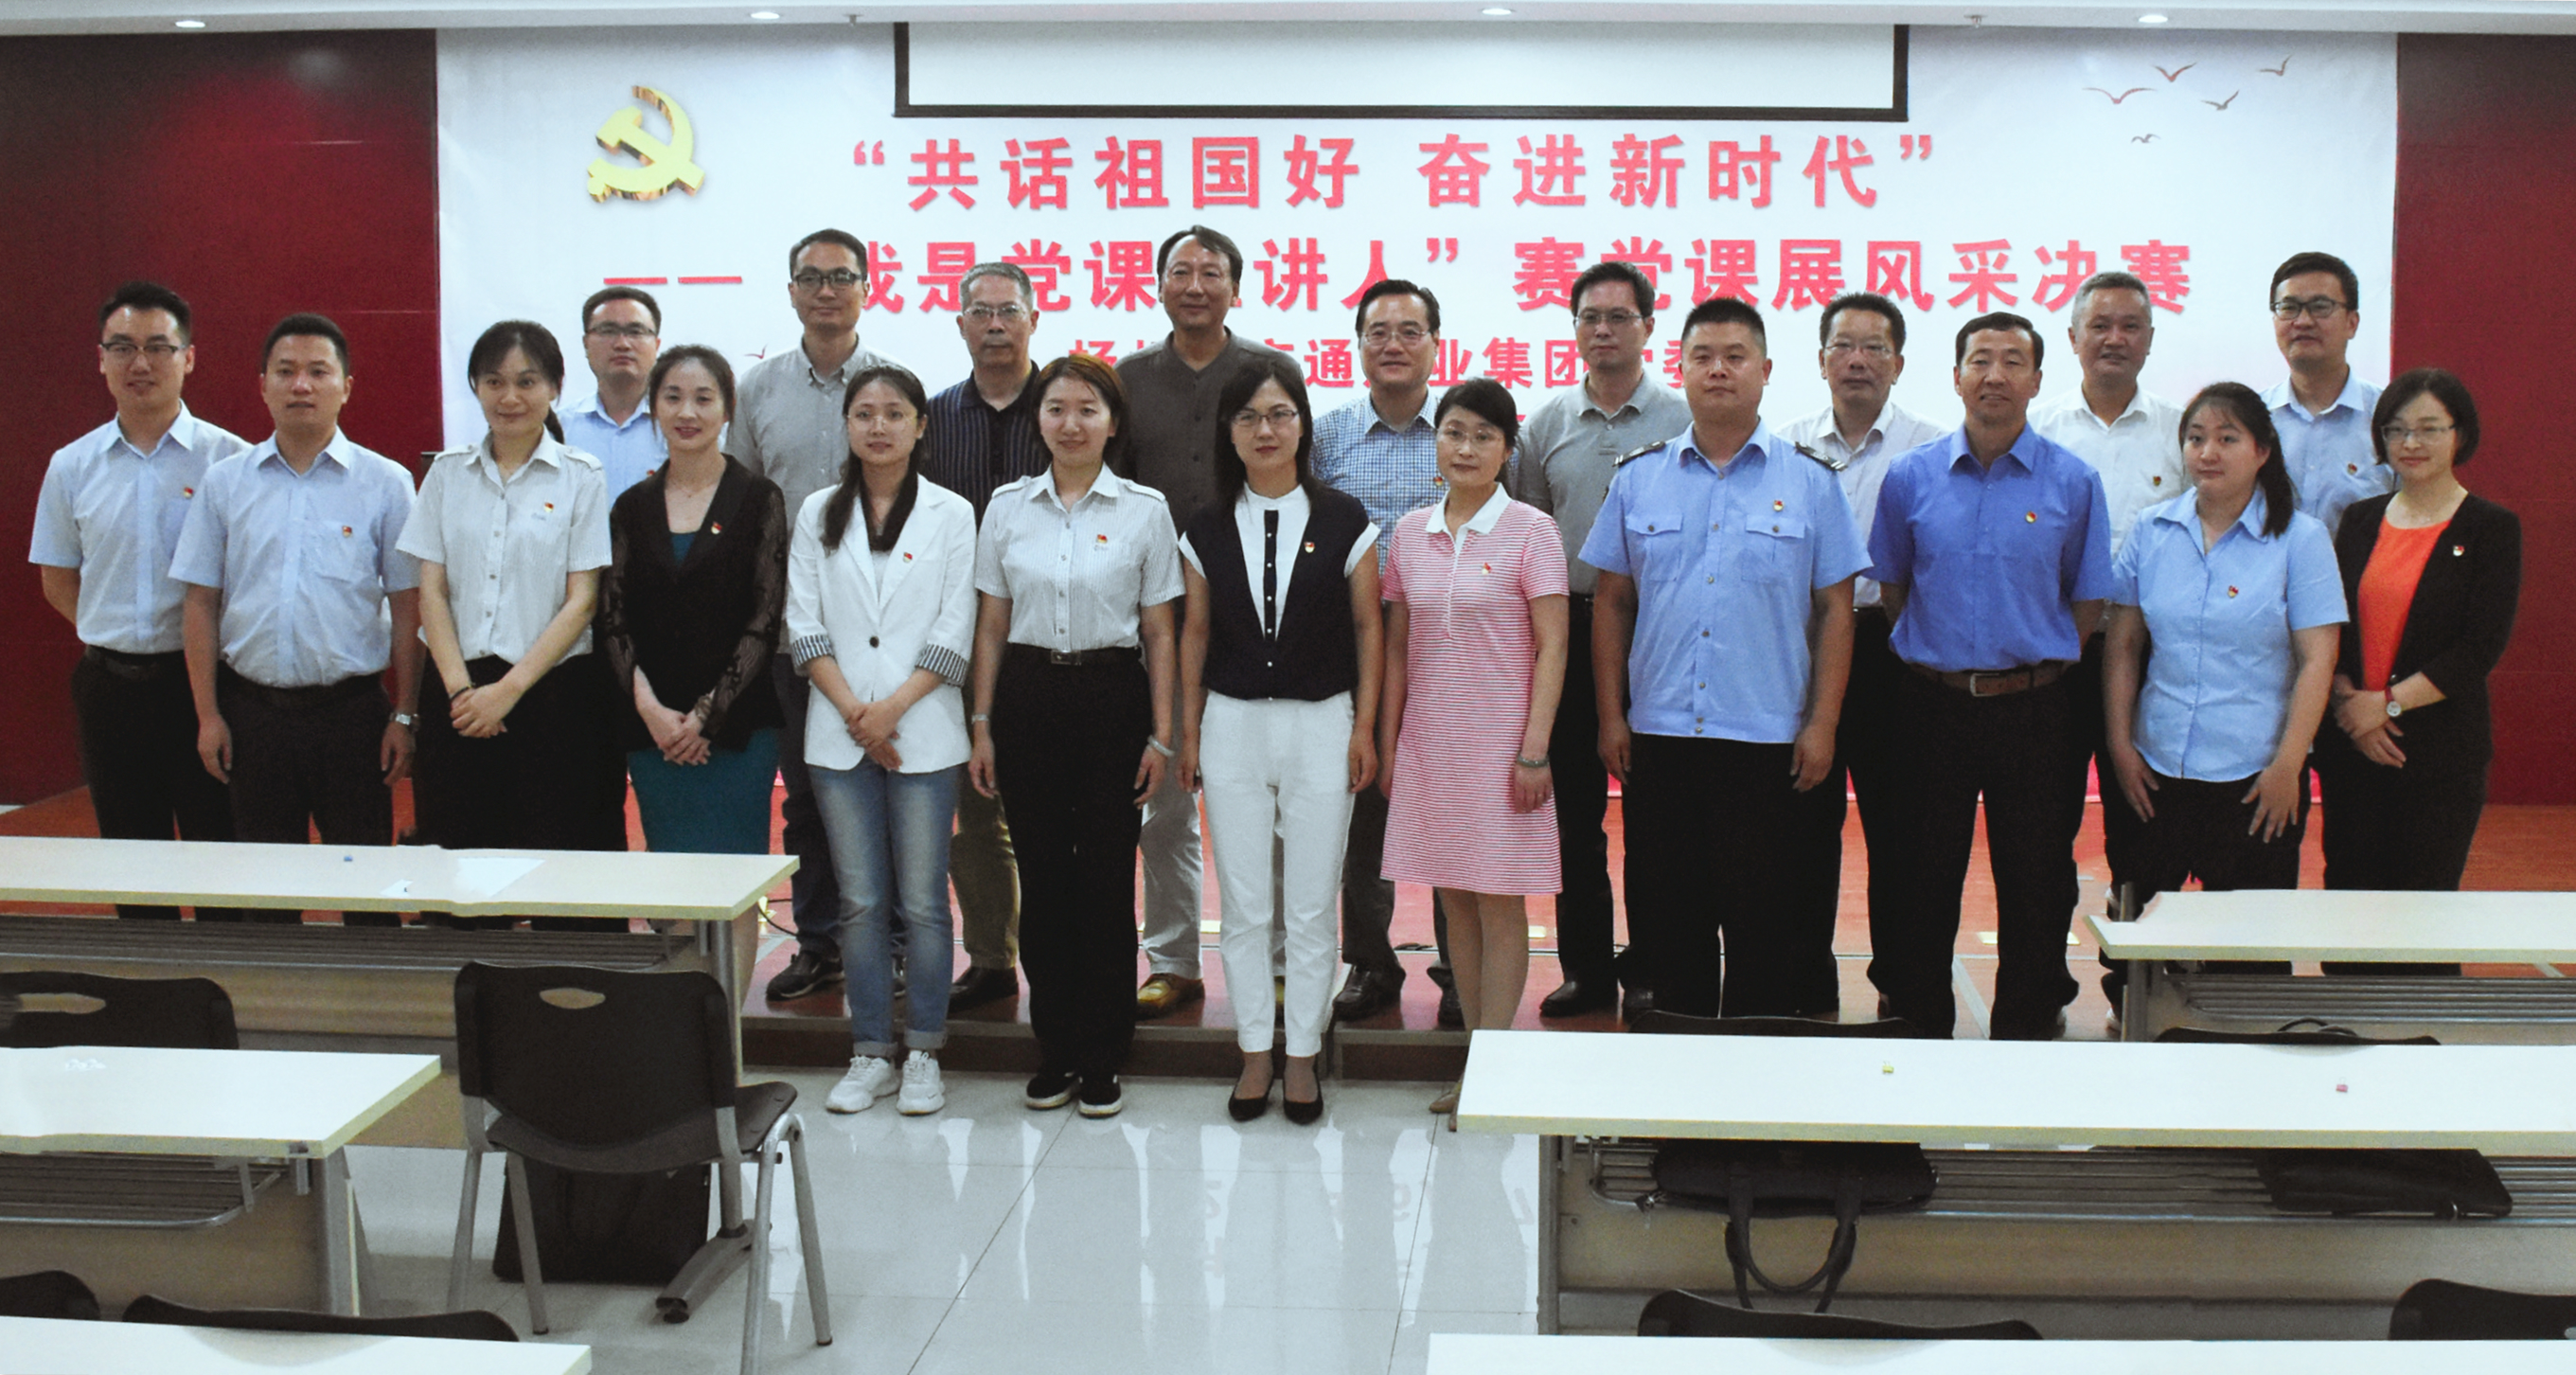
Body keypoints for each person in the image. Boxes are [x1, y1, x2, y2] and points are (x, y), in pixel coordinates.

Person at [1584, 298, 1865, 1018]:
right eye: (1702, 357)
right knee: (1669, 926)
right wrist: (1611, 715)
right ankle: (1681, 1082)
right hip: (1661, 739)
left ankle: (1753, 1083)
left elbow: (1836, 611)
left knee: (1763, 931)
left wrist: (1823, 723)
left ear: (1765, 371)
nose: (1718, 370)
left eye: (1735, 357)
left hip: (1768, 742)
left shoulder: (1811, 480)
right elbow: (1612, 604)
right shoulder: (1638, 478)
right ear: (1678, 369)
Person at [1868, 312, 2111, 1040]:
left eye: (2012, 361)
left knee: (2037, 874)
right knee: (1922, 871)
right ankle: (1918, 1015)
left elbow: (2086, 599)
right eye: (1979, 360)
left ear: (2036, 380)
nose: (1994, 375)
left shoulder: (2073, 481)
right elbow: (1893, 587)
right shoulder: (1909, 477)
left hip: (2034, 707)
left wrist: (2032, 660)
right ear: (1954, 377)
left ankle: (2027, 1019)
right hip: (1930, 704)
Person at [968, 353, 1181, 1120]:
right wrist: (982, 723)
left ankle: (1102, 1052)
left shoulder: (1144, 509)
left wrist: (1162, 736)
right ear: (1038, 420)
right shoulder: (1006, 508)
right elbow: (990, 626)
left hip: (1110, 698)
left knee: (1104, 878)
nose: (1071, 423)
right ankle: (1054, 1045)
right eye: (1056, 408)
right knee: (1044, 876)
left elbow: (1159, 632)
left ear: (1112, 423)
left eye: (1087, 409)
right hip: (1026, 697)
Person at [1177, 358, 1382, 1125]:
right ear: (1228, 433)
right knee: (1243, 905)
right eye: (1248, 417)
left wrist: (1363, 727)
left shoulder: (1345, 519)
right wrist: (1187, 731)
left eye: (1280, 414)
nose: (1264, 430)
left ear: (1302, 424)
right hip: (1231, 723)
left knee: (1310, 905)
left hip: (1321, 722)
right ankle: (1254, 1052)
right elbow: (1195, 632)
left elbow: (1368, 628)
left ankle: (1302, 1055)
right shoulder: (1203, 525)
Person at [169, 313, 420, 926]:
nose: (301, 385)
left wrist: (405, 714)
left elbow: (409, 606)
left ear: (346, 387)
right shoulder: (225, 483)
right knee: (265, 897)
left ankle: (374, 983)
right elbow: (200, 602)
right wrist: (208, 715)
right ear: (263, 386)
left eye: (317, 372)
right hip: (253, 717)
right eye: (285, 372)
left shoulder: (386, 483)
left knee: (368, 895)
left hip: (352, 718)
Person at [1114, 224, 1301, 1021]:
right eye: (1180, 271)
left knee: (1275, 800)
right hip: (1155, 620)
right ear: (1158, 284)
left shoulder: (1270, 371)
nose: (1195, 285)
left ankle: (1285, 962)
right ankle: (1174, 960)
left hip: (1257, 615)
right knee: (1164, 798)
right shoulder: (1126, 380)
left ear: (1236, 286)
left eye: (1211, 272)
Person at [789, 365, 978, 1117]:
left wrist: (890, 708)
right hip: (839, 734)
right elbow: (803, 622)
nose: (878, 427)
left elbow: (955, 627)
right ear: (846, 425)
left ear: (920, 426)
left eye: (894, 413)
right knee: (862, 902)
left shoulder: (952, 513)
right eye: (863, 413)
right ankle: (869, 1050)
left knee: (924, 903)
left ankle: (924, 1050)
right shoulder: (817, 512)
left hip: (922, 729)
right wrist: (855, 713)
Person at [29, 281, 251, 920]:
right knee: (130, 854)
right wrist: (119, 631)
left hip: (203, 688)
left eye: (159, 346)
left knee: (217, 850)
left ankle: (225, 971)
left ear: (189, 358)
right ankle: (149, 975)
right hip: (111, 690)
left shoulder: (230, 462)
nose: (141, 363)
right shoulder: (72, 466)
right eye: (122, 347)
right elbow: (57, 581)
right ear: (100, 359)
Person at [2103, 384, 2343, 963]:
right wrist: (2120, 749)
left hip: (2255, 777)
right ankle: (2134, 1014)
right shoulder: (2152, 530)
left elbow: (2318, 659)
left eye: (2227, 439)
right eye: (2195, 438)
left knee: (2249, 953)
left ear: (2262, 451)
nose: (2207, 452)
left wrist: (2288, 766)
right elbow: (2124, 646)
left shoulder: (2301, 539)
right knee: (2137, 941)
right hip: (2155, 767)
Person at [1380, 377, 1568, 1116]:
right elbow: (1398, 650)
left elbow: (1553, 646)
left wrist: (1534, 748)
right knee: (1453, 898)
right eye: (1453, 432)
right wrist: (1391, 741)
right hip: (1432, 744)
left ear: (1506, 450)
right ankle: (1474, 1062)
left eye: (1483, 436)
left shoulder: (1531, 530)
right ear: (1436, 441)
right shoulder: (1409, 533)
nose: (1465, 448)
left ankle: (1497, 1070)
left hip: (1503, 748)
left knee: (1499, 901)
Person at [398, 321, 625, 926]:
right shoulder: (447, 473)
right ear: (475, 386)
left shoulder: (581, 474)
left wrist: (507, 691)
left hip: (550, 697)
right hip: (457, 698)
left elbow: (582, 601)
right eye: (494, 381)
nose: (510, 397)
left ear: (554, 388)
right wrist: (462, 693)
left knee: (558, 876)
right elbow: (431, 590)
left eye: (527, 381)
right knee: (463, 880)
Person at [1513, 260, 1689, 1023]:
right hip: (1568, 631)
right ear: (1574, 328)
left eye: (1619, 317)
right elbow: (1528, 536)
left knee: (1656, 820)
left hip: (1659, 632)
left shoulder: (1682, 417)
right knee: (1572, 820)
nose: (1603, 330)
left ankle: (1651, 967)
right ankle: (1584, 969)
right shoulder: (1545, 425)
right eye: (1590, 317)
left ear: (1648, 327)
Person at [736, 229, 903, 1003]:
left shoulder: (892, 384)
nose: (826, 290)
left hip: (884, 632)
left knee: (888, 791)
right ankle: (820, 942)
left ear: (867, 288)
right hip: (791, 635)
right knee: (806, 796)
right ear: (791, 291)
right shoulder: (758, 389)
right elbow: (743, 506)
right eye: (811, 277)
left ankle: (894, 943)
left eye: (842, 276)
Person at [1775, 292, 1945, 1018]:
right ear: (1820, 361)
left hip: (1894, 648)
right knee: (1801, 827)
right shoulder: (1783, 448)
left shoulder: (1933, 449)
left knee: (1901, 830)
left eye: (1874, 347)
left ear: (1898, 363)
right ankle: (1802, 983)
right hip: (1804, 644)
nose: (1857, 360)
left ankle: (1902, 985)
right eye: (1842, 346)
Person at [2031, 270, 2187, 974]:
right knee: (2043, 822)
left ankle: (2136, 980)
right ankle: (2041, 979)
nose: (2114, 339)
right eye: (2100, 325)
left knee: (2142, 820)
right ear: (2072, 338)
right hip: (2055, 653)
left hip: (2151, 657)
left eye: (2130, 326)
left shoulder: (2182, 432)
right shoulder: (2037, 430)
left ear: (2150, 340)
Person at [2317, 368, 2521, 900]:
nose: (2411, 443)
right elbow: (2332, 625)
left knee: (2423, 908)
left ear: (2460, 434)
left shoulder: (2491, 528)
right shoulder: (2359, 520)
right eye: (2397, 430)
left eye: (2429, 429)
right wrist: (2351, 707)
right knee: (2349, 901)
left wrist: (2384, 706)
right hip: (2351, 745)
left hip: (2438, 752)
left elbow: (2479, 647)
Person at [1311, 277, 1450, 1026]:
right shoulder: (1326, 436)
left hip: (1455, 649)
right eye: (1377, 332)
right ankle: (1369, 961)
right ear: (1358, 344)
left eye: (1409, 331)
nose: (1393, 344)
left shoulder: (1466, 429)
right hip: (1356, 649)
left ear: (1435, 344)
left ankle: (1461, 964)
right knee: (1362, 811)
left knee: (1457, 807)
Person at [920, 261, 1051, 1013]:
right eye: (981, 312)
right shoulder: (934, 418)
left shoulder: (1067, 405)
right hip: (958, 638)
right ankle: (992, 958)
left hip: (1052, 637)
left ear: (1034, 318)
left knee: (1051, 812)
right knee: (974, 812)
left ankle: (1059, 961)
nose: (995, 325)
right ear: (960, 325)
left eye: (1008, 311)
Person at [595, 346, 788, 859]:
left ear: (727, 411)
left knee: (736, 875)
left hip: (739, 728)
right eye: (673, 397)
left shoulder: (759, 498)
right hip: (652, 729)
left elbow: (764, 619)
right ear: (653, 408)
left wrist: (707, 715)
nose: (687, 413)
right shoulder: (631, 506)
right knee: (672, 872)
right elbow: (612, 619)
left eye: (703, 399)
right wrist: (651, 711)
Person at [2262, 251, 2392, 541]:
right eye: (2289, 307)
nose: (2303, 321)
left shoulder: (2389, 417)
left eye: (2320, 307)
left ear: (2352, 323)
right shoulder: (2251, 418)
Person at [559, 285, 666, 499]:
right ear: (585, 344)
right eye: (608, 331)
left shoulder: (681, 427)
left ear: (656, 345)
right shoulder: (559, 429)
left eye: (636, 332)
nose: (622, 344)